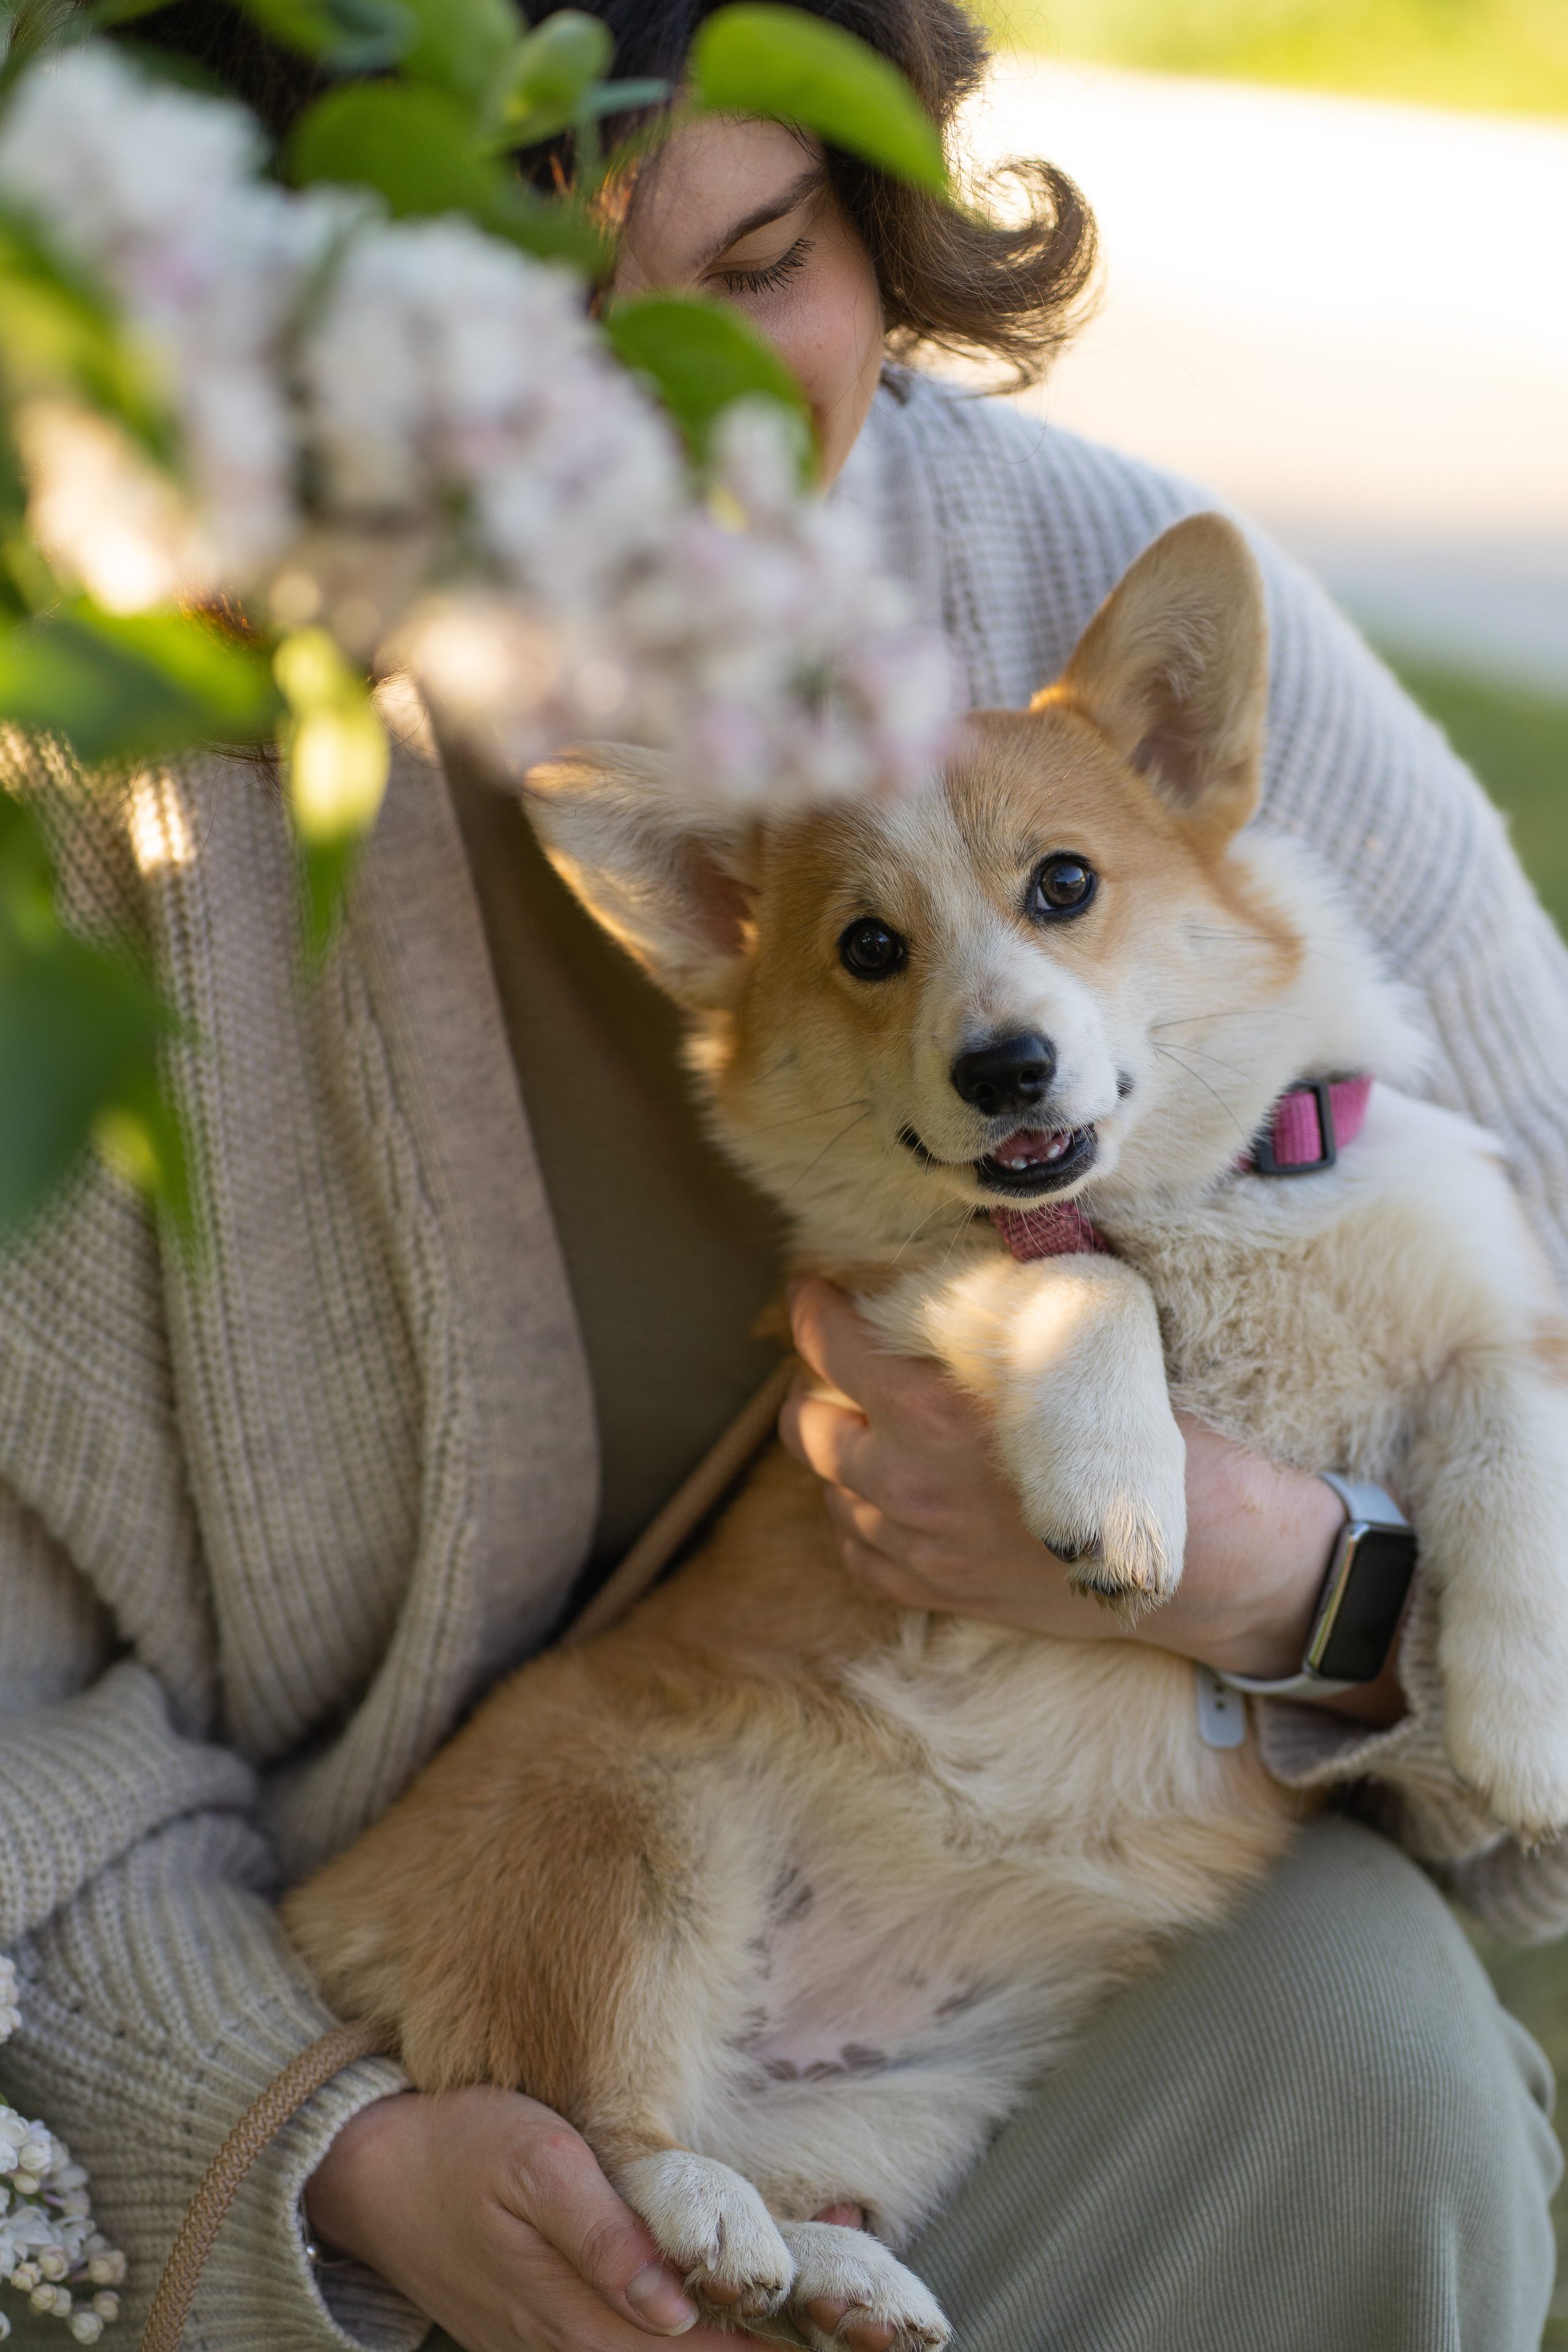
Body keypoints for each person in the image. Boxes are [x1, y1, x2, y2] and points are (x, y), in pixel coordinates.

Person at [1, 2, 1564, 2347]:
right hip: (431, 2019)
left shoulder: (1119, 616)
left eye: (768, 258)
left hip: (1018, 1958)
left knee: (1373, 2055)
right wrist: (331, 2149)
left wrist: (1296, 1588)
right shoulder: (105, 810)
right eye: (533, 342)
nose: (690, 432)